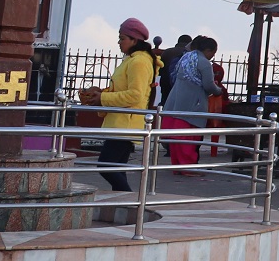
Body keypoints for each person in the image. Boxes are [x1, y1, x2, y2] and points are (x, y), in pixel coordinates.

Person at [80, 18, 159, 193]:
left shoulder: (139, 62)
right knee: (116, 169)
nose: (119, 42)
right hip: (122, 123)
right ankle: (124, 201)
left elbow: (135, 94)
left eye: (122, 38)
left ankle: (129, 199)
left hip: (125, 124)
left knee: (106, 166)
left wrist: (103, 98)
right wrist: (101, 93)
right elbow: (124, 89)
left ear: (134, 40)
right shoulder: (133, 60)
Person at [164, 36, 222, 169]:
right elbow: (209, 85)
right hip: (193, 105)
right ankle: (188, 168)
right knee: (189, 140)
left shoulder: (186, 57)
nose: (213, 56)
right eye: (213, 53)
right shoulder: (204, 63)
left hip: (176, 103)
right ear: (208, 50)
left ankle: (176, 167)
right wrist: (218, 90)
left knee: (176, 140)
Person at [158, 34, 193, 104]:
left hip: (166, 85)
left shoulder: (167, 52)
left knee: (165, 105)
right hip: (182, 88)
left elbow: (160, 71)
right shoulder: (191, 55)